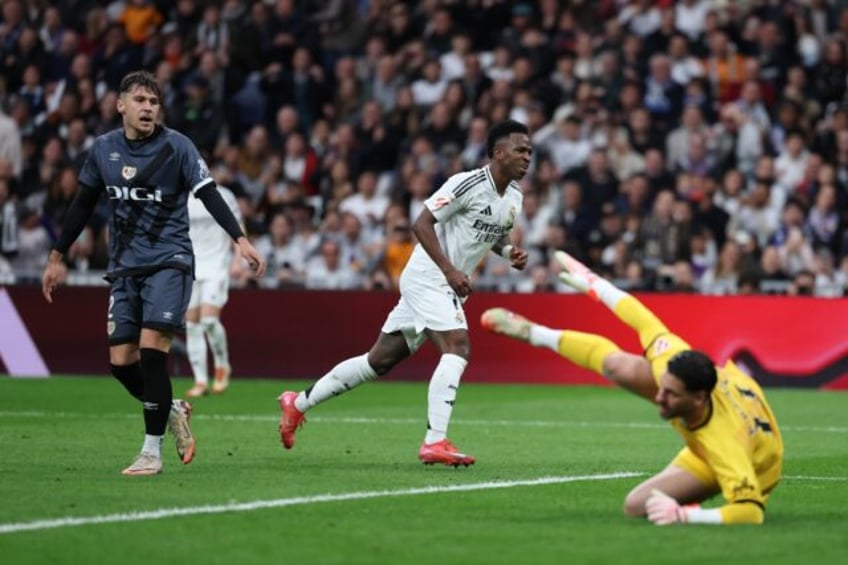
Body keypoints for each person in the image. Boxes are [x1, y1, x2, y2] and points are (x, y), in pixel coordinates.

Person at [41, 70, 266, 476]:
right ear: (120, 105)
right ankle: (172, 408)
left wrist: (240, 239)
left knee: (150, 355)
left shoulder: (177, 146)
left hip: (170, 261)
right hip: (125, 266)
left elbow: (208, 193)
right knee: (120, 364)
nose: (148, 108)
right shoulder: (104, 149)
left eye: (153, 102)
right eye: (140, 100)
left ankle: (151, 452)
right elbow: (82, 203)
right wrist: (57, 255)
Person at [277, 120, 532, 466]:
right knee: (458, 346)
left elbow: (495, 232)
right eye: (520, 149)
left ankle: (298, 403)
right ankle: (435, 441)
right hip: (429, 277)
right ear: (498, 153)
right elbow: (421, 223)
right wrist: (450, 270)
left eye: (529, 151)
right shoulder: (466, 182)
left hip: (445, 282)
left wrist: (508, 252)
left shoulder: (514, 196)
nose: (527, 157)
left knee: (378, 360)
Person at [481, 250, 783, 524]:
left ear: (698, 398)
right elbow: (643, 320)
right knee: (618, 367)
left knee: (637, 505)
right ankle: (535, 332)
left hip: (751, 460)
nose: (658, 396)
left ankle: (697, 495)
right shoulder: (673, 361)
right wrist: (594, 284)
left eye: (670, 393)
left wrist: (686, 516)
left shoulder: (725, 444)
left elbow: (750, 511)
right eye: (662, 387)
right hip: (724, 415)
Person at [184, 183, 241, 397]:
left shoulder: (224, 195)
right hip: (190, 266)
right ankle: (200, 381)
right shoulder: (178, 197)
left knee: (208, 321)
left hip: (217, 265)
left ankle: (222, 365)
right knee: (191, 325)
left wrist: (238, 259)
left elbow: (236, 227)